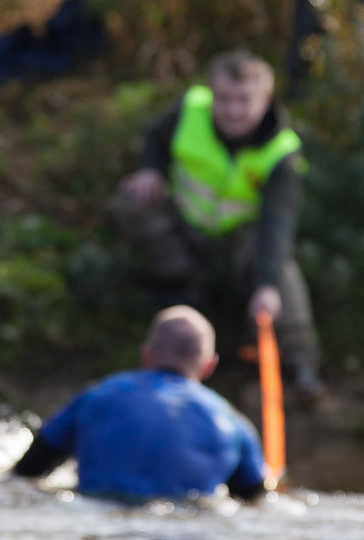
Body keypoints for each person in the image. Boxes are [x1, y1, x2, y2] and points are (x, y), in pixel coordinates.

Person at [111, 50, 322, 396]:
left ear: (265, 99)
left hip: (239, 238)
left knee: (280, 275)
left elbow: (277, 224)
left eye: (244, 101)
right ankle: (180, 289)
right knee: (131, 201)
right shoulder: (189, 110)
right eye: (224, 99)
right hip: (184, 225)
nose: (233, 111)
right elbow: (155, 138)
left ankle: (299, 368)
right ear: (211, 92)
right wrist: (151, 169)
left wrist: (267, 284)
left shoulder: (282, 152)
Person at [12, 304, 266, 500]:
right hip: (183, 534)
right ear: (209, 365)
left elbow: (28, 470)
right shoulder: (233, 424)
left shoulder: (96, 396)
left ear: (146, 353)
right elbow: (253, 498)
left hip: (96, 518)